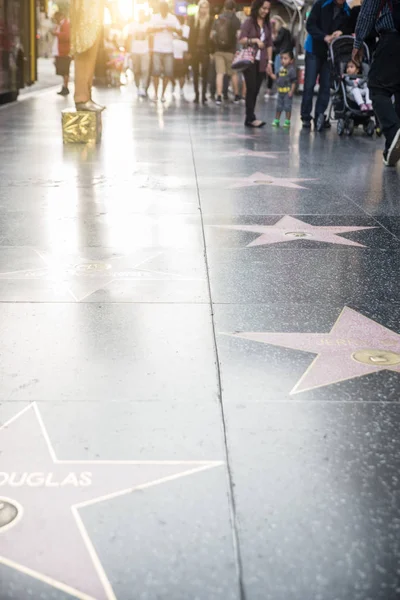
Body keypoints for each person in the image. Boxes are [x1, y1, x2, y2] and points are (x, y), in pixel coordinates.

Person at [352, 0, 400, 166]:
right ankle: (390, 149)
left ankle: (394, 135)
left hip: (393, 38)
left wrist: (358, 43)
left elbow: (368, 11)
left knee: (377, 87)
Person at [301, 0, 351, 130]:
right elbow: (310, 25)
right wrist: (324, 37)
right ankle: (306, 116)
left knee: (325, 86)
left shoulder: (346, 11)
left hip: (331, 54)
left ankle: (320, 116)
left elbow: (349, 28)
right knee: (309, 84)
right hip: (314, 50)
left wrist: (341, 32)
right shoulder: (321, 4)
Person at [239, 0, 273, 127]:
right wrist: (254, 40)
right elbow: (242, 39)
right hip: (250, 60)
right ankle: (250, 118)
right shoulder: (249, 22)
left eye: (268, 9)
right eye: (263, 8)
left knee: (256, 89)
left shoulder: (267, 24)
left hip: (262, 61)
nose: (265, 11)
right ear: (258, 7)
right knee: (251, 88)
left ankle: (250, 117)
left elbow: (269, 44)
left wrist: (269, 61)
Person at [70, 0, 105, 111]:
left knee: (91, 49)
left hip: (93, 8)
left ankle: (86, 96)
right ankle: (82, 97)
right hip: (86, 10)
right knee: (85, 46)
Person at [148, 1, 181, 102]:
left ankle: (162, 94)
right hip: (157, 49)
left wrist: (173, 29)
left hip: (168, 49)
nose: (163, 12)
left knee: (168, 73)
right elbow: (148, 30)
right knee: (156, 72)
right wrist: (157, 29)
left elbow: (180, 31)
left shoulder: (172, 18)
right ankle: (156, 94)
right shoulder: (155, 17)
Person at [211, 0, 241, 105]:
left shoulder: (218, 18)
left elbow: (212, 35)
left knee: (220, 73)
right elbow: (239, 36)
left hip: (218, 50)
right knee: (233, 73)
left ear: (224, 7)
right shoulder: (236, 20)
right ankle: (237, 95)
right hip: (231, 51)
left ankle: (218, 96)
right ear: (234, 9)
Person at [188, 0, 213, 104]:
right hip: (195, 49)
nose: (203, 9)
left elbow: (212, 38)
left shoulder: (210, 20)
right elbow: (190, 36)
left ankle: (203, 95)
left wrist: (211, 51)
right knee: (195, 73)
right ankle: (196, 94)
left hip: (205, 50)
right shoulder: (193, 19)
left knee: (205, 73)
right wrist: (189, 51)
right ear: (199, 8)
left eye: (206, 7)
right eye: (202, 7)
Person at [271, 50, 297, 127]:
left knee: (287, 107)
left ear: (291, 60)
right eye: (282, 58)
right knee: (278, 106)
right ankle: (277, 119)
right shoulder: (280, 69)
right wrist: (270, 74)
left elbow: (293, 82)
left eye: (286, 58)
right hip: (280, 92)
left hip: (287, 92)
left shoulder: (291, 70)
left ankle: (287, 120)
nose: (283, 60)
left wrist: (292, 91)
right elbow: (276, 78)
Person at [128, 11, 150, 97]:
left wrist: (150, 50)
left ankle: (144, 88)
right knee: (136, 71)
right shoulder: (132, 25)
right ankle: (138, 87)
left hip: (145, 51)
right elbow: (129, 38)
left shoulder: (148, 25)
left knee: (145, 70)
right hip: (135, 51)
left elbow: (151, 37)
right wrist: (129, 51)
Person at [52, 10, 71, 96]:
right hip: (60, 52)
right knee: (63, 71)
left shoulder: (66, 24)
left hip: (64, 52)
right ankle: (64, 86)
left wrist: (57, 33)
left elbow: (66, 36)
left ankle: (65, 87)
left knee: (65, 71)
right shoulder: (60, 25)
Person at [172, 16, 190, 98]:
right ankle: (173, 85)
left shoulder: (187, 28)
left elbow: (188, 39)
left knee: (182, 73)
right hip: (173, 53)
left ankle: (181, 88)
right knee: (171, 72)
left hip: (183, 54)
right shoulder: (173, 28)